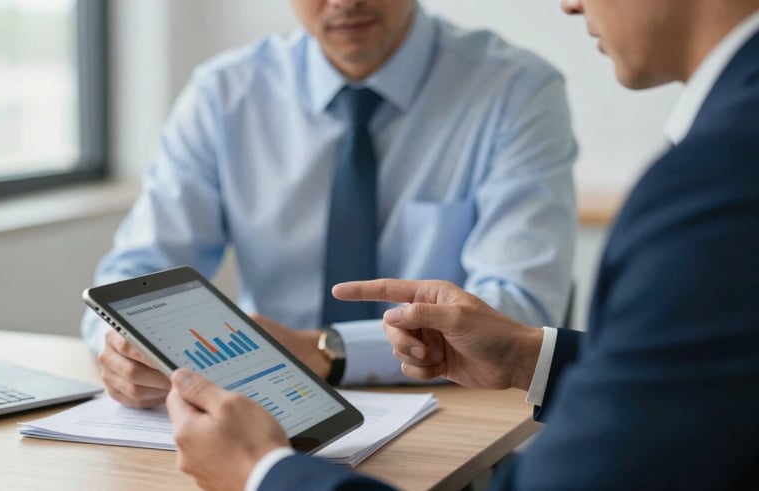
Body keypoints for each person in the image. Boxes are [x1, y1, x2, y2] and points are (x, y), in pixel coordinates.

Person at [164, 0, 759, 489]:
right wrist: (529, 354)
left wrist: (262, 474)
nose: (570, 4)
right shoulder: (222, 90)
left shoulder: (716, 174)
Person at [82, 0, 578, 408]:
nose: (344, 2)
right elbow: (136, 272)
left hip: (454, 403)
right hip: (259, 404)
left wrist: (327, 350)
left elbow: (518, 311)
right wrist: (124, 347)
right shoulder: (223, 93)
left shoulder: (516, 90)